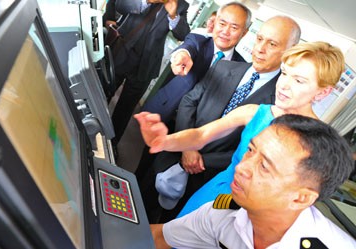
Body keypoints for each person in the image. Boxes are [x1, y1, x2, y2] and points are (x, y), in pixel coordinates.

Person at [135, 41, 345, 219]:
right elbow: (201, 135)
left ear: (323, 92)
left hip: (254, 215)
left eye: (299, 80)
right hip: (215, 193)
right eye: (284, 73)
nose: (284, 85)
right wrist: (164, 140)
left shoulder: (319, 143)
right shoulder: (255, 112)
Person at [137, 15, 301, 223]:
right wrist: (188, 148)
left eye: (272, 44)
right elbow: (189, 101)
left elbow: (251, 150)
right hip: (171, 160)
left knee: (171, 230)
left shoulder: (279, 104)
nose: (260, 49)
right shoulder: (225, 67)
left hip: (208, 180)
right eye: (259, 39)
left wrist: (201, 160)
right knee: (135, 208)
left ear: (290, 51)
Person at [150, 114, 356, 249]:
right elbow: (159, 237)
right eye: (250, 151)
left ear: (301, 198)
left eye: (265, 166)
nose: (241, 168)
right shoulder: (224, 214)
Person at [142, 2, 251, 123]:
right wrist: (181, 55)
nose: (225, 31)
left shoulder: (242, 68)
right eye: (222, 23)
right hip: (167, 113)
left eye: (234, 27)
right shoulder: (198, 41)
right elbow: (188, 47)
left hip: (198, 128)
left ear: (244, 32)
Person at [110, 0, 190, 147]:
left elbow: (183, 34)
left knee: (126, 108)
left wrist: (173, 16)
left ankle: (111, 143)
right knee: (104, 93)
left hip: (146, 64)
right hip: (123, 51)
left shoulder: (181, 5)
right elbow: (120, 5)